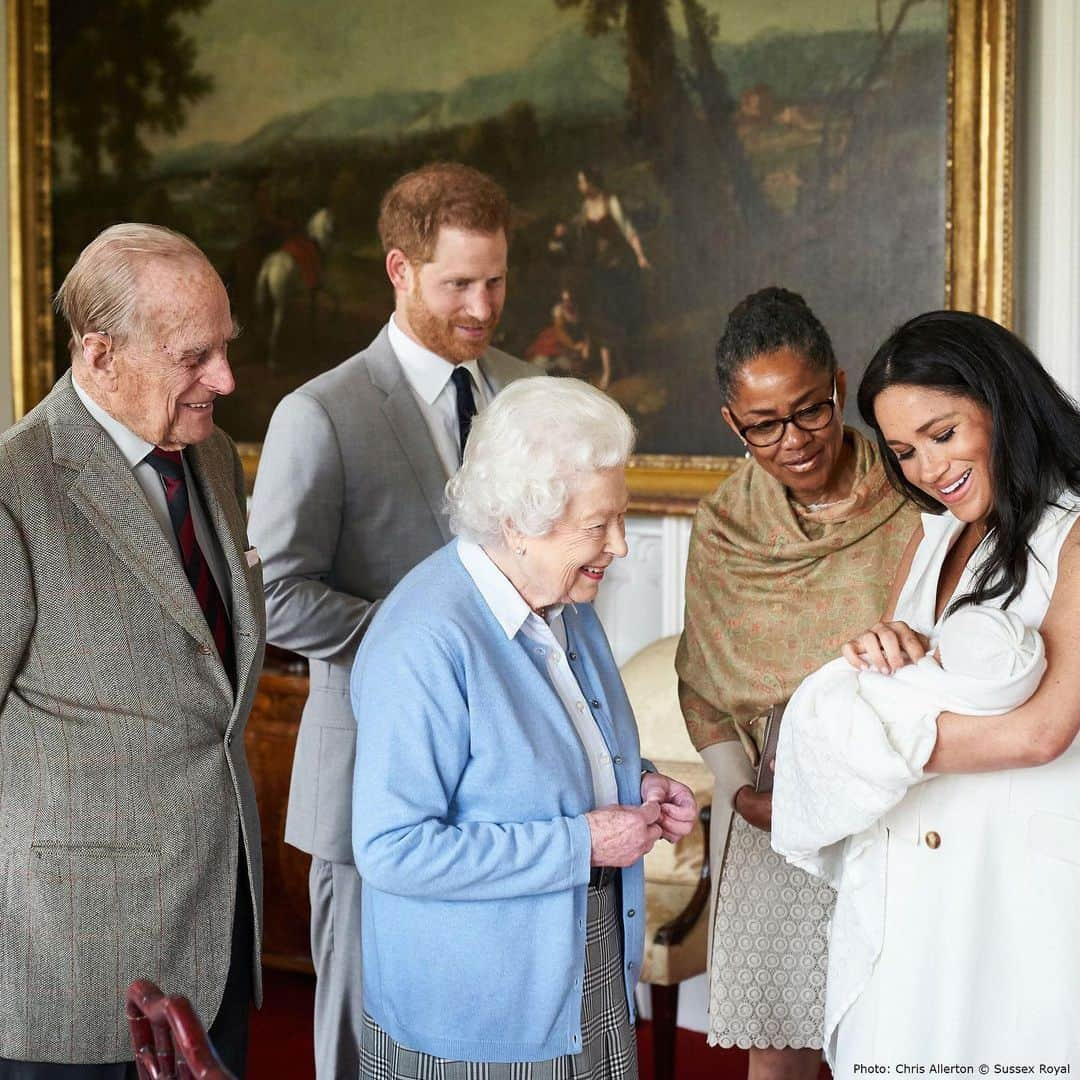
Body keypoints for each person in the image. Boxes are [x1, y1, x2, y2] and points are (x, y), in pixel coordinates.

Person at [247, 162, 538, 1079]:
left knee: (479, 1040)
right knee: (357, 1043)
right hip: (370, 780)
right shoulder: (320, 414)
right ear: (398, 271)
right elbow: (276, 594)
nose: (484, 307)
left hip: (508, 795)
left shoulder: (529, 394)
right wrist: (433, 651)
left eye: (496, 280)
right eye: (459, 283)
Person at [350, 377, 697, 1078]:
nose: (621, 546)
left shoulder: (564, 601)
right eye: (598, 525)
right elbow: (393, 848)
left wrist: (641, 783)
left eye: (620, 518)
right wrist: (584, 841)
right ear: (518, 523)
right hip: (479, 1014)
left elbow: (550, 756)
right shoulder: (425, 640)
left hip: (584, 962)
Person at [0, 223, 265, 1077]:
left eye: (224, 348)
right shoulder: (15, 487)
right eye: (194, 356)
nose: (222, 379)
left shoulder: (213, 455)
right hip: (73, 961)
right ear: (100, 353)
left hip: (219, 926)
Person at [674, 287, 919, 1079]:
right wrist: (740, 789)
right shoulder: (724, 528)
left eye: (810, 411)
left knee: (895, 1036)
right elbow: (706, 685)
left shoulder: (915, 495)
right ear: (732, 424)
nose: (794, 440)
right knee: (783, 1053)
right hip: (777, 804)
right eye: (764, 425)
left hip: (903, 793)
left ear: (840, 386)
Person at [826, 310, 1080, 1071]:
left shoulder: (1074, 531)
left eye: (943, 434)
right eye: (904, 451)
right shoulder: (938, 534)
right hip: (917, 876)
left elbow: (1044, 731)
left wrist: (859, 737)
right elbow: (910, 678)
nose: (928, 470)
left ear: (1002, 402)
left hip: (1018, 887)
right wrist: (884, 653)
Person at [772, 605, 1047, 1063]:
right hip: (899, 850)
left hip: (978, 853)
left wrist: (833, 749)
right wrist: (881, 645)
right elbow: (882, 663)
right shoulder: (929, 537)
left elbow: (1039, 735)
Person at [573, 167, 650, 386]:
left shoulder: (611, 202)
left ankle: (628, 364)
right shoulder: (585, 208)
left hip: (620, 267)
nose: (580, 187)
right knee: (601, 318)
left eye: (581, 182)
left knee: (619, 315)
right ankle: (610, 370)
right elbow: (584, 241)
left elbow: (628, 230)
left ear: (591, 182)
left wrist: (640, 256)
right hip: (600, 271)